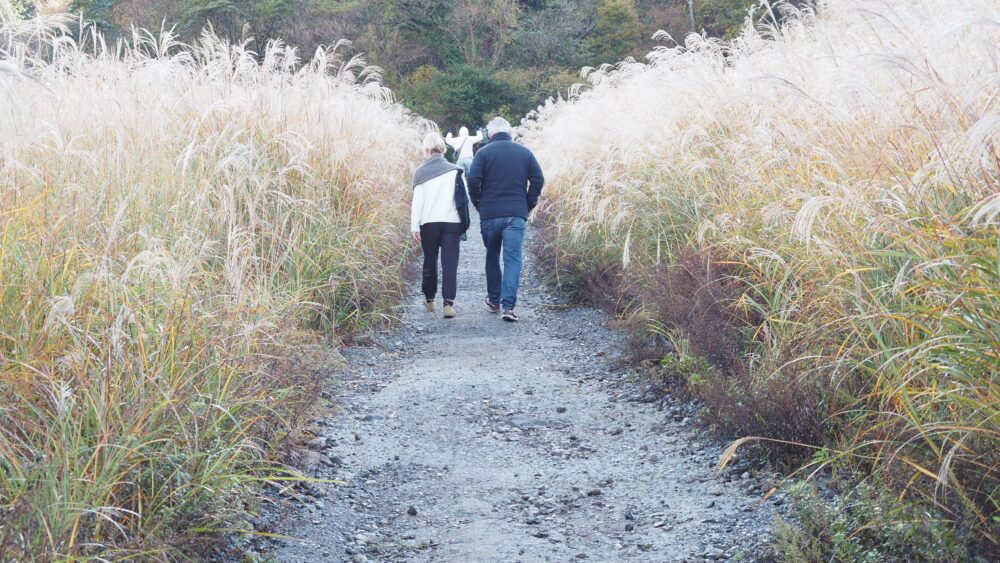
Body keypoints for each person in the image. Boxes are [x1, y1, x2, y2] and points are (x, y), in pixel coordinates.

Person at [467, 117, 544, 322]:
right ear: (509, 131)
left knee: (492, 256)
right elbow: (538, 179)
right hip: (516, 214)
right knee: (513, 259)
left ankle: (494, 300)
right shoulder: (524, 152)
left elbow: (473, 180)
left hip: (490, 215)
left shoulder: (483, 153)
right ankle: (508, 308)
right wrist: (527, 204)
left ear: (489, 134)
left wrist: (478, 203)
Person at [411, 132, 471, 318]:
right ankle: (448, 305)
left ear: (426, 150)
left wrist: (415, 226)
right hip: (452, 222)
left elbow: (417, 202)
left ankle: (429, 299)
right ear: (444, 149)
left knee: (430, 260)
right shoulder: (455, 171)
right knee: (450, 263)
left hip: (428, 223)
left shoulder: (420, 172)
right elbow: (465, 197)